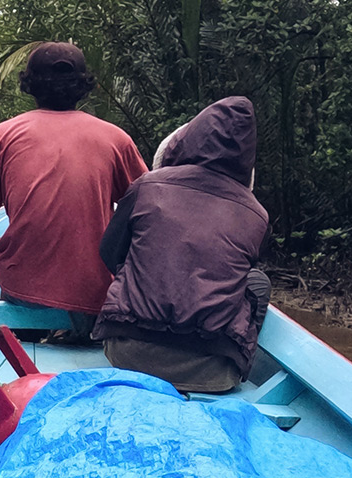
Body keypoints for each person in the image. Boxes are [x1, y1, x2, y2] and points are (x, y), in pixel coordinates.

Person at [0, 42, 148, 329]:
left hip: (22, 291)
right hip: (94, 297)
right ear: (82, 86)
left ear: (30, 86)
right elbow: (147, 208)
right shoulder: (115, 139)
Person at [93, 96, 270, 393]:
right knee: (258, 282)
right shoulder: (257, 214)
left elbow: (109, 253)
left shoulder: (147, 186)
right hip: (214, 373)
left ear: (190, 138)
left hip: (128, 354)